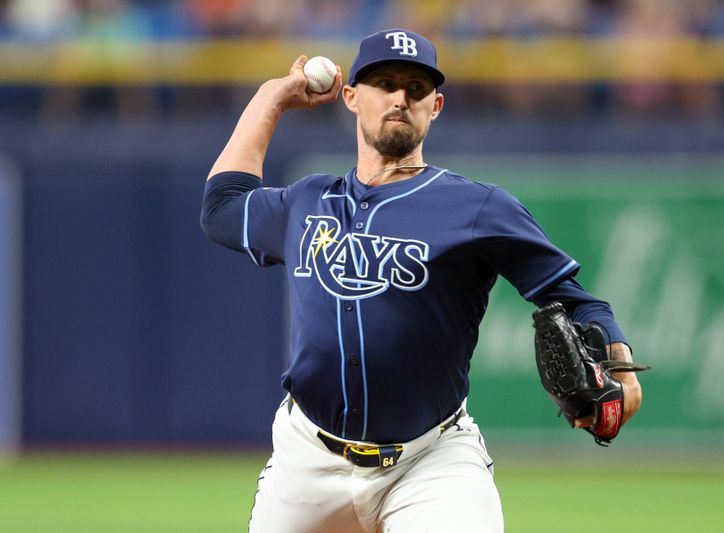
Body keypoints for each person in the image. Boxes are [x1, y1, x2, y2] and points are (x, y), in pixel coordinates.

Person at [201, 28, 642, 533]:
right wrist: (271, 97)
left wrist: (622, 369)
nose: (399, 98)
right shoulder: (305, 202)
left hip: (430, 463)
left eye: (415, 88)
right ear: (350, 97)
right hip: (307, 461)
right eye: (384, 83)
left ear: (435, 106)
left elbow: (575, 299)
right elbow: (221, 208)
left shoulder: (477, 207)